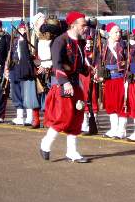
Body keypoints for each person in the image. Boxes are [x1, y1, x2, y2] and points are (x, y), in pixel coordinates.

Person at [40, 11, 89, 163]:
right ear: (73, 25)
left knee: (77, 117)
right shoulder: (60, 41)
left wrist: (88, 70)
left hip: (76, 84)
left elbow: (79, 63)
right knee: (64, 117)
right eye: (83, 25)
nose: (85, 28)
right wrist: (65, 82)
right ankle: (46, 143)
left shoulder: (81, 42)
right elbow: (57, 64)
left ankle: (72, 152)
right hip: (63, 84)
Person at [7, 22, 38, 126]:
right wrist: (7, 67)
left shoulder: (29, 40)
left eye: (24, 29)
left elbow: (33, 54)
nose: (22, 31)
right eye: (20, 29)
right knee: (16, 92)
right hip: (14, 68)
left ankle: (29, 117)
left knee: (26, 93)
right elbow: (10, 54)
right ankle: (20, 116)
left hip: (25, 68)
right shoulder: (14, 40)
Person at [101, 22, 128, 139]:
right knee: (111, 104)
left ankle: (121, 130)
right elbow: (99, 60)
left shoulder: (125, 45)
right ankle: (114, 129)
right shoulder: (103, 46)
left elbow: (129, 61)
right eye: (115, 32)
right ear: (109, 33)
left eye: (119, 32)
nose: (118, 34)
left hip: (121, 78)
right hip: (108, 79)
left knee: (122, 104)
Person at [80, 35, 99, 135]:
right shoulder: (81, 49)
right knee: (83, 98)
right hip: (82, 75)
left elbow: (97, 61)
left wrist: (96, 71)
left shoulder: (95, 51)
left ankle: (93, 121)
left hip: (91, 76)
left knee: (92, 98)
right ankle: (84, 122)